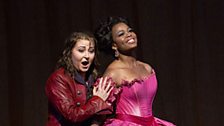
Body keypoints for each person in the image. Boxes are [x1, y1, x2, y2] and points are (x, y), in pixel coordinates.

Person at [94, 17, 175, 126]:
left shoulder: (147, 68)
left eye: (130, 30)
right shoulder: (112, 73)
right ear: (114, 45)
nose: (129, 34)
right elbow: (99, 115)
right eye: (121, 34)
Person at [45, 32, 114, 126]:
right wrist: (98, 100)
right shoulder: (58, 79)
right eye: (81, 50)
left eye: (91, 51)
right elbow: (72, 115)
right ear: (70, 52)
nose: (87, 55)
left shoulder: (93, 78)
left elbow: (104, 112)